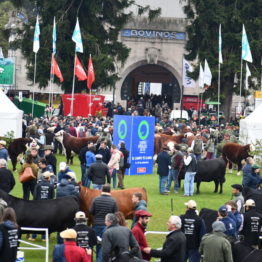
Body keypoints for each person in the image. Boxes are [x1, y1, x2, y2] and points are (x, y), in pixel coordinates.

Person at [90, 184, 118, 262]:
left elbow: (91, 211)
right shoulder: (113, 201)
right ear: (110, 191)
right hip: (108, 226)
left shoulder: (95, 199)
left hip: (97, 225)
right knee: (106, 245)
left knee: (98, 244)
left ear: (102, 190)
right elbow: (116, 213)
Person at [31, 171, 55, 241]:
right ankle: (44, 237)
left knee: (35, 221)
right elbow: (52, 197)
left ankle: (33, 237)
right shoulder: (51, 186)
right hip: (47, 207)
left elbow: (34, 196)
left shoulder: (38, 185)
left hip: (38, 205)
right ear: (48, 177)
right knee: (45, 222)